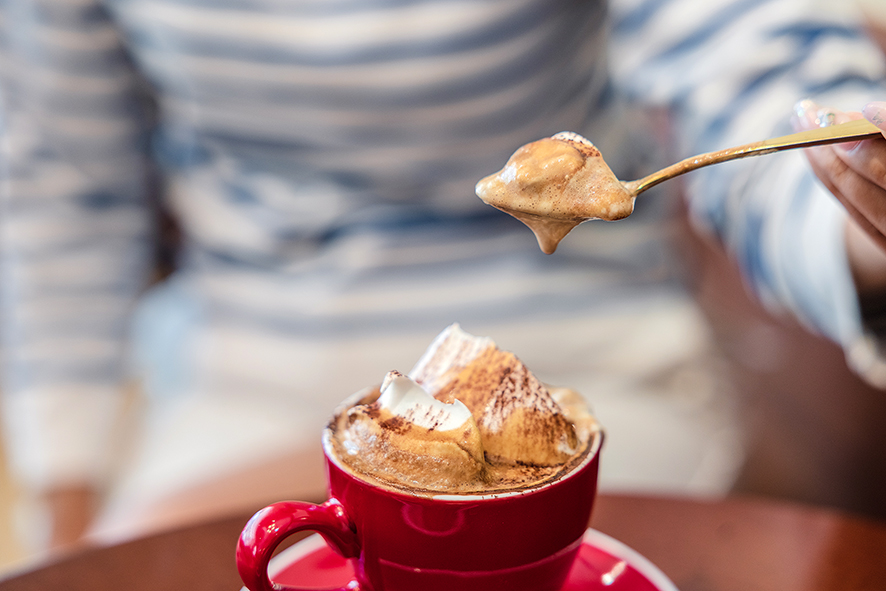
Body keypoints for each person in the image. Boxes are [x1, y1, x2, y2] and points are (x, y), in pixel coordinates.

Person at [0, 0, 883, 555]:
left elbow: (754, 67)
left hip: (587, 356)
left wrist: (855, 219)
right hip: (243, 370)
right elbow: (63, 182)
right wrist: (69, 509)